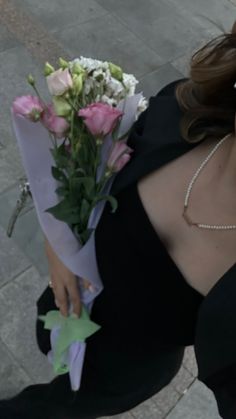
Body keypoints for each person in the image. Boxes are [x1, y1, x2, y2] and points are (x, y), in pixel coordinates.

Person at [1, 21, 236, 419]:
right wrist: (57, 246)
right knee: (51, 347)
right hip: (65, 305)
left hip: (121, 374)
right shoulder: (185, 110)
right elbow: (90, 177)